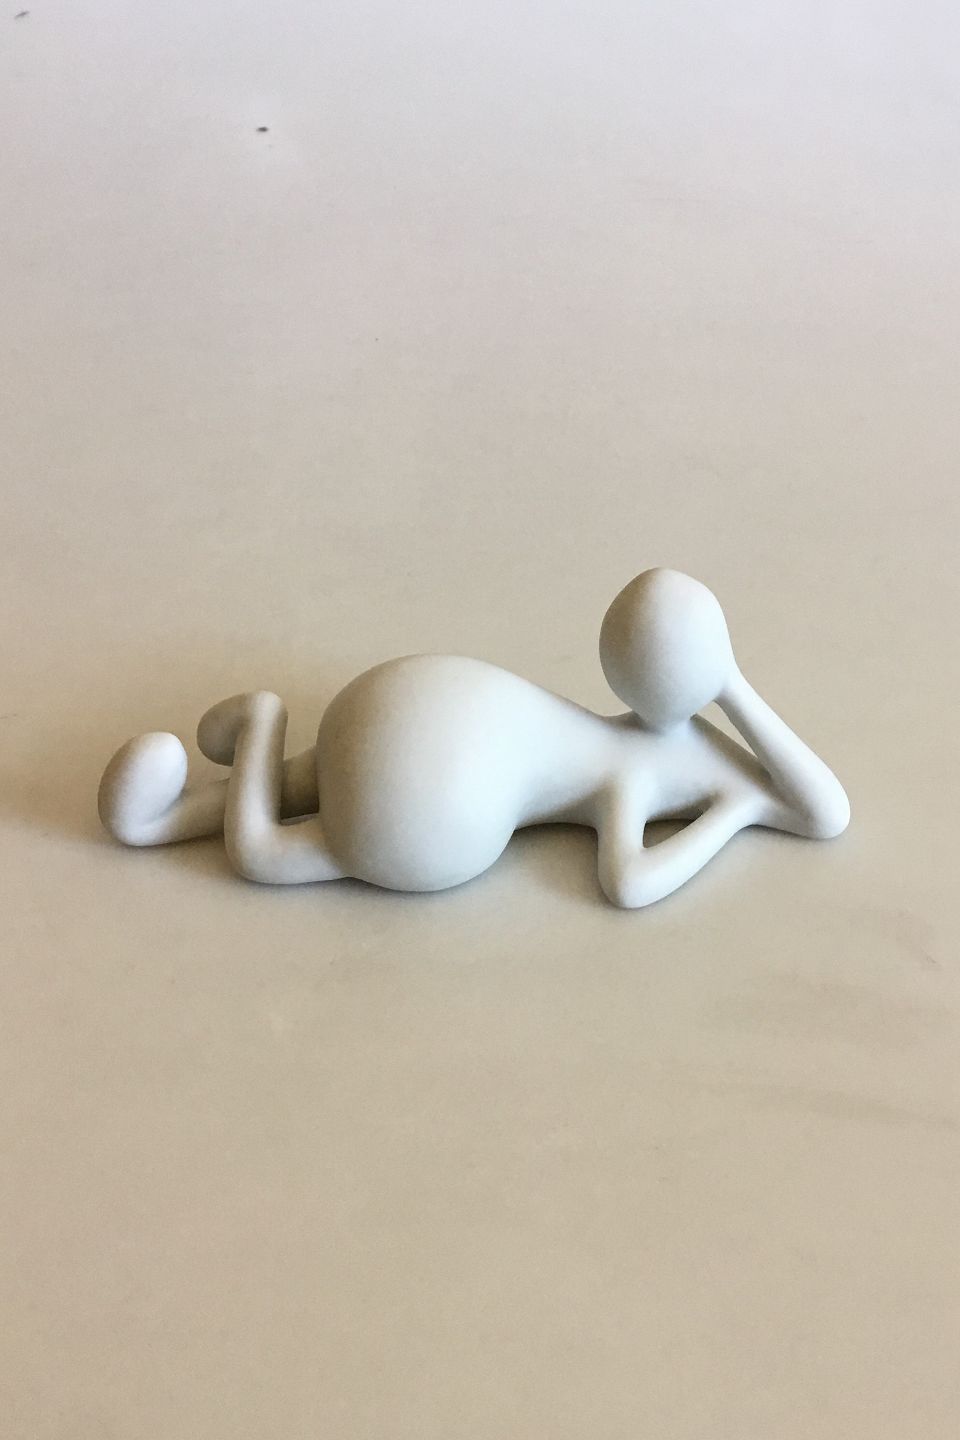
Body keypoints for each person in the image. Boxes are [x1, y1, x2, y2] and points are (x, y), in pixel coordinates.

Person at [98, 569, 849, 907]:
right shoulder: (636, 775)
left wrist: (727, 689)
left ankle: (167, 810)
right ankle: (257, 728)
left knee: (313, 777)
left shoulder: (638, 735)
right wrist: (735, 808)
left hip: (416, 701)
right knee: (266, 853)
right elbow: (629, 882)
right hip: (441, 784)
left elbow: (822, 811)